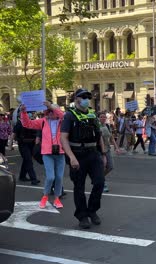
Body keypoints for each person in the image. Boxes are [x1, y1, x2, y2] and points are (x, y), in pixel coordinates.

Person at [60, 88, 107, 229]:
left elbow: (99, 136)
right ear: (77, 99)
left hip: (93, 153)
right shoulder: (69, 115)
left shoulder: (92, 114)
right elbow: (63, 138)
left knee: (99, 182)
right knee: (79, 187)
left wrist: (103, 154)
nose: (87, 99)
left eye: (88, 96)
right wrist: (72, 157)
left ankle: (92, 210)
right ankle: (82, 216)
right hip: (77, 154)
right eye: (83, 96)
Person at [21, 102, 65, 209]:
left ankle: (57, 198)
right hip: (47, 153)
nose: (50, 113)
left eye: (52, 111)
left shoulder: (63, 121)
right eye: (48, 111)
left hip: (60, 153)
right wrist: (23, 112)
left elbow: (63, 115)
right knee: (50, 177)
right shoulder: (43, 122)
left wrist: (51, 106)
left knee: (59, 177)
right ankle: (45, 196)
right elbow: (27, 124)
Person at [14, 108, 40, 185]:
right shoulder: (19, 123)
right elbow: (13, 134)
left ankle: (22, 176)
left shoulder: (33, 123)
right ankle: (33, 179)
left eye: (31, 113)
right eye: (29, 113)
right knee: (28, 160)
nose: (31, 114)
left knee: (26, 160)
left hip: (31, 144)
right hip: (23, 144)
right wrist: (10, 145)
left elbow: (37, 133)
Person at [98, 112, 121, 192]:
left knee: (110, 166)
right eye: (101, 117)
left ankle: (98, 178)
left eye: (104, 117)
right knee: (102, 167)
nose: (103, 118)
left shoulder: (107, 125)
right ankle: (102, 183)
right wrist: (103, 152)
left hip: (107, 149)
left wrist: (116, 147)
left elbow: (111, 138)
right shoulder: (97, 127)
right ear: (98, 118)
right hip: (100, 150)